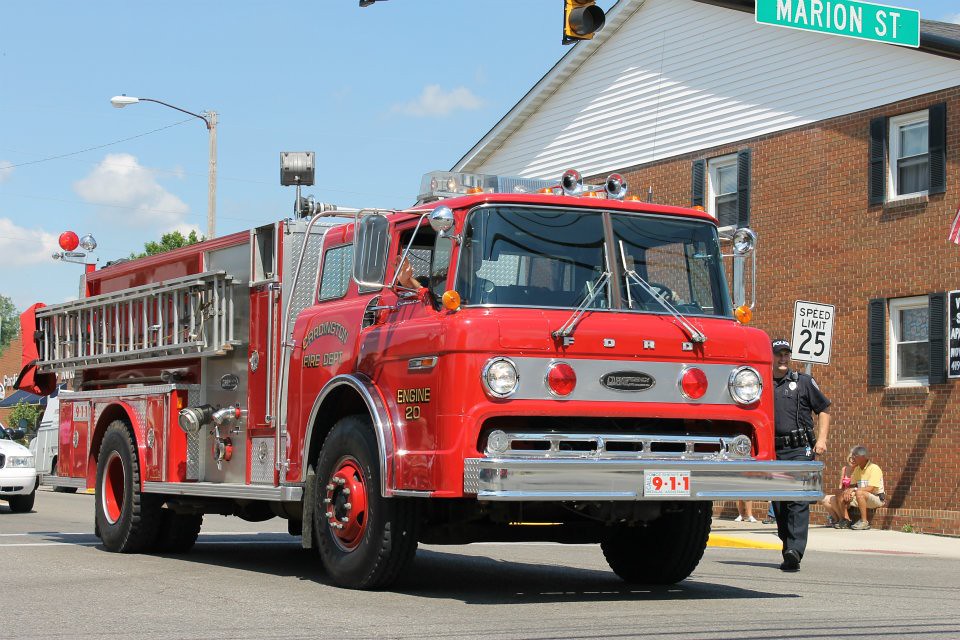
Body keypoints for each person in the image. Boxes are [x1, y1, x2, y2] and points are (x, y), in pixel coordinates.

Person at [770, 338, 831, 572]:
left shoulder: (803, 382)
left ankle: (795, 550)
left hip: (800, 450)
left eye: (786, 354)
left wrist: (822, 440)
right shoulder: (761, 383)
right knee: (779, 504)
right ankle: (788, 546)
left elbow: (824, 409)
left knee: (798, 499)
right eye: (778, 354)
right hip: (774, 451)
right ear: (771, 357)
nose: (783, 358)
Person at [828, 446, 885, 530]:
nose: (852, 458)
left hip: (876, 498)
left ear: (863, 457)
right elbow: (852, 486)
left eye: (855, 456)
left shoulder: (874, 468)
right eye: (852, 456)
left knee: (859, 492)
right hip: (860, 498)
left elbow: (871, 489)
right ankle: (846, 520)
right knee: (839, 492)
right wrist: (847, 491)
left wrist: (853, 490)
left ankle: (864, 522)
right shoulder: (857, 469)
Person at [821, 448, 857, 527]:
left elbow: (857, 486)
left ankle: (843, 520)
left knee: (833, 499)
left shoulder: (858, 470)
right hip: (843, 493)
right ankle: (837, 520)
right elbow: (840, 485)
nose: (852, 460)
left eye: (855, 459)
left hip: (852, 494)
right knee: (824, 499)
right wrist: (839, 493)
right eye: (851, 458)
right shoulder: (844, 469)